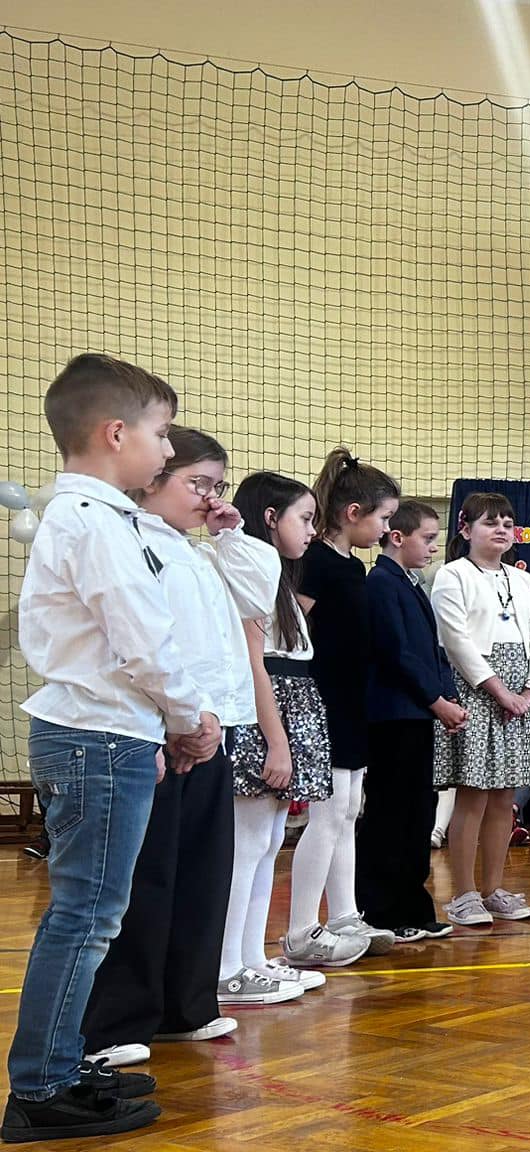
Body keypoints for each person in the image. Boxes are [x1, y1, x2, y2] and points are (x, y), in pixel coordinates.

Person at [6, 355, 212, 1141]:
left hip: (106, 731)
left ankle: (57, 1063)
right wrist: (187, 716)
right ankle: (41, 1086)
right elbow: (142, 640)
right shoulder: (92, 521)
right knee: (86, 917)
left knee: (91, 914)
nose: (169, 450)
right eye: (162, 434)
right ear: (116, 433)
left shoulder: (100, 517)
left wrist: (159, 724)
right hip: (95, 735)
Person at [81, 427, 278, 1071]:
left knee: (201, 872)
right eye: (198, 483)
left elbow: (261, 595)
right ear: (152, 482)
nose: (209, 497)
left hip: (213, 728)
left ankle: (183, 1005)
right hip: (160, 730)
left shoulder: (200, 551)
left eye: (217, 485)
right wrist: (179, 721)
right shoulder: (131, 540)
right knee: (148, 877)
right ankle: (117, 1019)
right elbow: (144, 644)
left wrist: (229, 534)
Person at [220, 472, 341, 1003]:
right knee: (246, 845)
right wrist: (276, 741)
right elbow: (256, 665)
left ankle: (251, 958)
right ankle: (226, 966)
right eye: (305, 519)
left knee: (268, 843)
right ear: (270, 518)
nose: (312, 531)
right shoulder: (249, 572)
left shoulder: (281, 581)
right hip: (264, 718)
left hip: (290, 709)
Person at [284, 447, 402, 966]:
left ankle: (344, 915)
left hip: (353, 703)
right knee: (328, 815)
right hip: (323, 702)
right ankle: (301, 932)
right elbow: (289, 630)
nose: (387, 529)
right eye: (384, 518)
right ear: (353, 513)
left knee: (349, 810)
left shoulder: (353, 566)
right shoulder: (314, 563)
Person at [431, 491, 530, 927]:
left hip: (522, 694)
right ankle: (464, 894)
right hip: (478, 690)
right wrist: (500, 692)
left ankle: (493, 888)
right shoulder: (452, 575)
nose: (501, 529)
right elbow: (456, 641)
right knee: (475, 795)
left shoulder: (520, 579)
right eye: (490, 522)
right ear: (465, 529)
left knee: (505, 798)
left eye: (507, 522)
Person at [358, 500, 465, 941]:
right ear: (397, 537)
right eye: (427, 538)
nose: (434, 548)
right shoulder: (380, 583)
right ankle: (382, 910)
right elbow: (396, 652)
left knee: (418, 812)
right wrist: (436, 700)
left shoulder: (411, 583)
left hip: (417, 713)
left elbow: (432, 649)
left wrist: (448, 693)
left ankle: (414, 906)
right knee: (391, 813)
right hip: (393, 716)